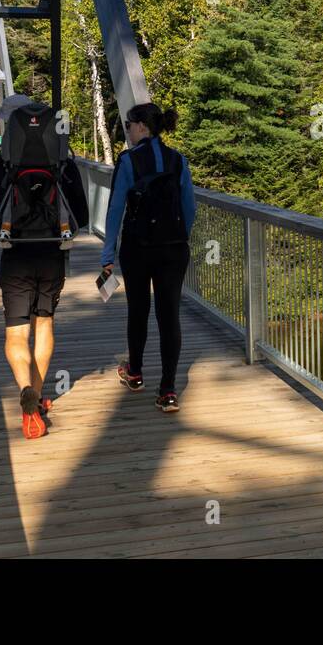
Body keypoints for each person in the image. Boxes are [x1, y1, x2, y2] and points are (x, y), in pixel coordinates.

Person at [0, 93, 90, 439]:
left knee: (16, 333)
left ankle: (25, 390)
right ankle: (39, 398)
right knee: (44, 326)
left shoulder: (4, 165)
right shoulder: (63, 164)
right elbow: (83, 217)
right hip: (52, 254)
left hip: (14, 254)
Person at [100, 102, 195, 412]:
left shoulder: (128, 161)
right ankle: (168, 391)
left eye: (128, 125)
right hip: (174, 248)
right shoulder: (178, 160)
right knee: (169, 316)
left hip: (138, 248)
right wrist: (179, 237)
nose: (127, 131)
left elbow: (115, 209)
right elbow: (189, 208)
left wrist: (107, 254)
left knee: (138, 310)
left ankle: (136, 373)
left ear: (141, 126)